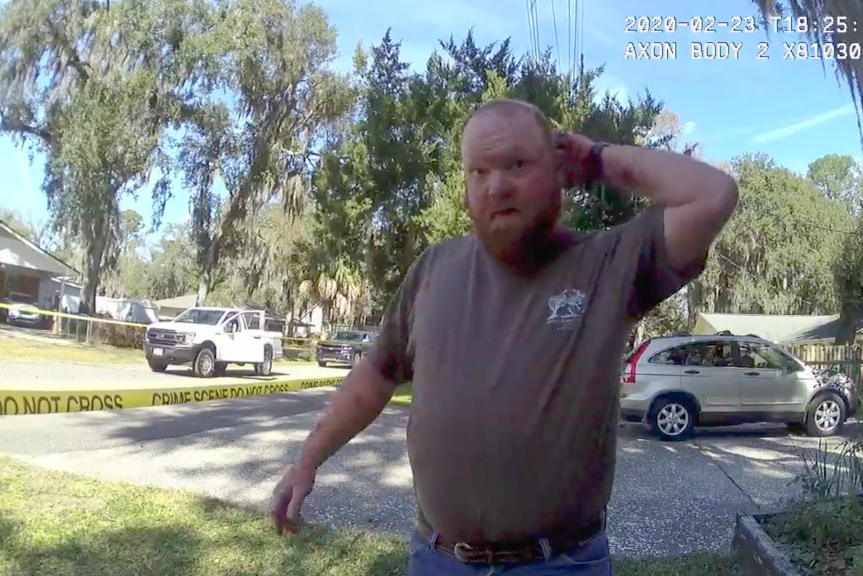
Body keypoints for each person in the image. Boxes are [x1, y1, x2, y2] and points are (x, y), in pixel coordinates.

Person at [271, 98, 739, 575]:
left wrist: (599, 160)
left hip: (560, 565)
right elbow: (375, 376)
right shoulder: (435, 269)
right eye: (479, 171)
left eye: (517, 164)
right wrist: (308, 460)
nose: (497, 186)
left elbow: (714, 194)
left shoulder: (610, 263)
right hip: (438, 560)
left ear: (559, 167)